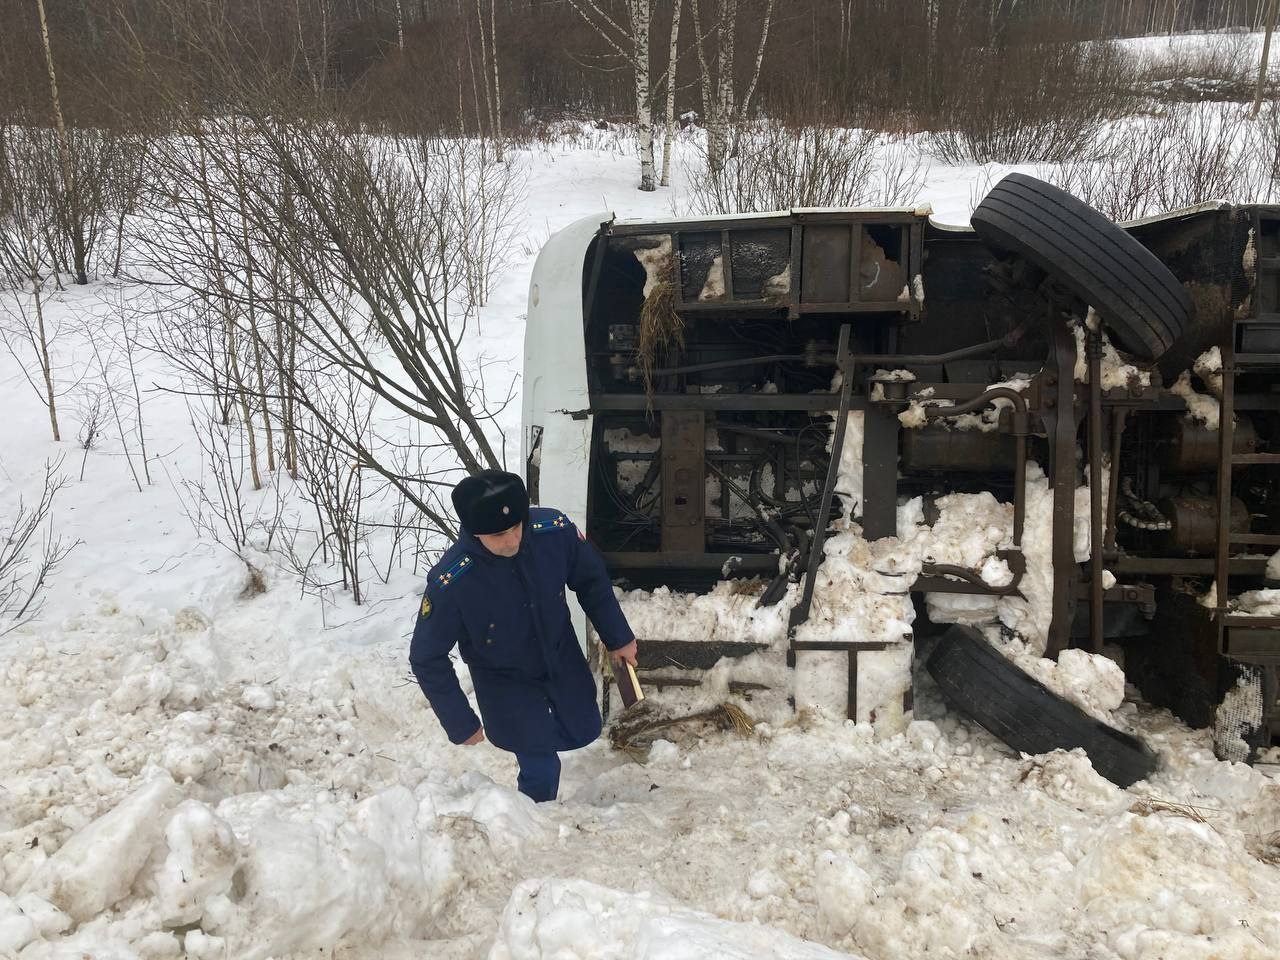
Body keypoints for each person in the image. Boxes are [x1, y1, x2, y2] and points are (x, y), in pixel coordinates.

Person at [409, 470, 639, 802]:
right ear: (476, 533)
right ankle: (533, 822)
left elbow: (591, 580)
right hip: (504, 680)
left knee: (584, 727)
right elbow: (426, 657)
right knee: (541, 765)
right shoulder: (453, 582)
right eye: (500, 534)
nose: (513, 540)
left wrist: (618, 637)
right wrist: (460, 722)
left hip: (560, 659)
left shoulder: (551, 533)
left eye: (517, 526)